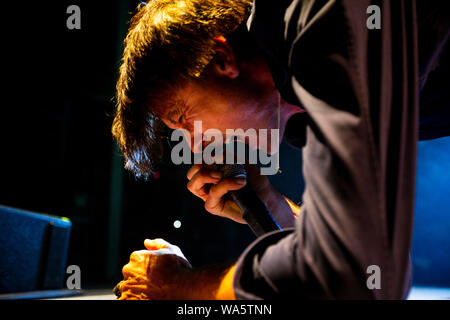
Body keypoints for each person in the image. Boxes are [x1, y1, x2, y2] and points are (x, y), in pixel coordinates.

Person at [112, 0, 449, 299]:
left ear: (220, 58)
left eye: (183, 117)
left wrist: (179, 287)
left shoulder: (323, 18)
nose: (195, 142)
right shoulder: (303, 111)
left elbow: (358, 277)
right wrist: (267, 203)